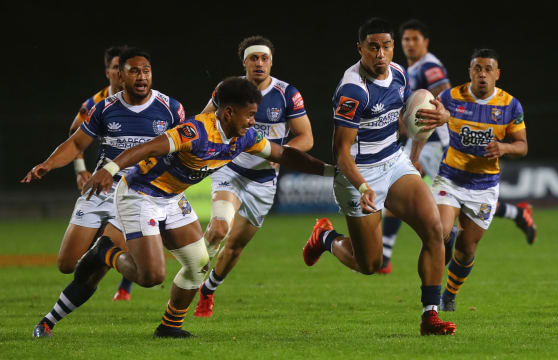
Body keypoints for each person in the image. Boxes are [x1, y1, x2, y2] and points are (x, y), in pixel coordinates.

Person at [74, 77, 334, 338]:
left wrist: (328, 171)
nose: (254, 121)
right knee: (151, 276)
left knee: (199, 262)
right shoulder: (195, 130)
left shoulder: (246, 137)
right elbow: (148, 147)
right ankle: (105, 252)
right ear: (229, 113)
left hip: (172, 197)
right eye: (251, 115)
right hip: (142, 193)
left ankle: (169, 327)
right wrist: (109, 169)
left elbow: (284, 154)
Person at [301, 18, 456, 335]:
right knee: (369, 264)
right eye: (373, 47)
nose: (381, 53)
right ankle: (325, 237)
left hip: (394, 162)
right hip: (359, 175)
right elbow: (341, 152)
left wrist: (439, 118)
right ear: (360, 49)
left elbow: (410, 119)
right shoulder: (353, 91)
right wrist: (362, 186)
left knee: (437, 232)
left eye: (386, 46)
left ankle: (430, 315)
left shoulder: (399, 74)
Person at [23, 47, 187, 337]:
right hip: (99, 190)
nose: (141, 76)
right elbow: (76, 143)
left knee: (101, 269)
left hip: (137, 194)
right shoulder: (104, 108)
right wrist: (48, 164)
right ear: (119, 76)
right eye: (134, 71)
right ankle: (104, 254)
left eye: (146, 70)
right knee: (67, 264)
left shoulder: (170, 108)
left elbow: (180, 149)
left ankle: (48, 322)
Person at [379, 19, 537, 274]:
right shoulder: (410, 68)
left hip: (437, 143)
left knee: (406, 192)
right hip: (423, 140)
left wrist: (443, 123)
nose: (409, 44)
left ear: (425, 42)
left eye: (414, 39)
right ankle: (516, 214)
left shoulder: (429, 66)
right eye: (405, 39)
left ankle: (387, 254)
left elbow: (442, 100)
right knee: (406, 193)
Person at [193, 35, 314, 318]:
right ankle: (189, 279)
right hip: (230, 173)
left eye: (265, 58)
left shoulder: (287, 94)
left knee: (234, 248)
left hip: (263, 183)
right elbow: (203, 121)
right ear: (244, 62)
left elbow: (306, 137)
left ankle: (207, 291)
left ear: (271, 62)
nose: (259, 63)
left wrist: (280, 154)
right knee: (219, 229)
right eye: (253, 58)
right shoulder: (228, 89)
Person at [415, 48, 529, 311]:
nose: (482, 74)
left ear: (497, 74)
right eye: (477, 68)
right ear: (470, 72)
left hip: (484, 187)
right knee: (440, 232)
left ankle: (450, 294)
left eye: (488, 69)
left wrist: (505, 148)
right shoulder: (451, 97)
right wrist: (414, 157)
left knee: (466, 250)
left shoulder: (510, 105)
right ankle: (429, 298)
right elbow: (424, 122)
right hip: (450, 180)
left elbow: (522, 146)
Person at [65, 45, 135, 300]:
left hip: (136, 181)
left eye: (124, 67)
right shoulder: (95, 103)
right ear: (108, 72)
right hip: (105, 177)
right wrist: (80, 169)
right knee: (83, 251)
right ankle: (93, 271)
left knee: (133, 230)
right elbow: (75, 134)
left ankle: (125, 288)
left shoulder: (145, 101)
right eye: (116, 67)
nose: (121, 72)